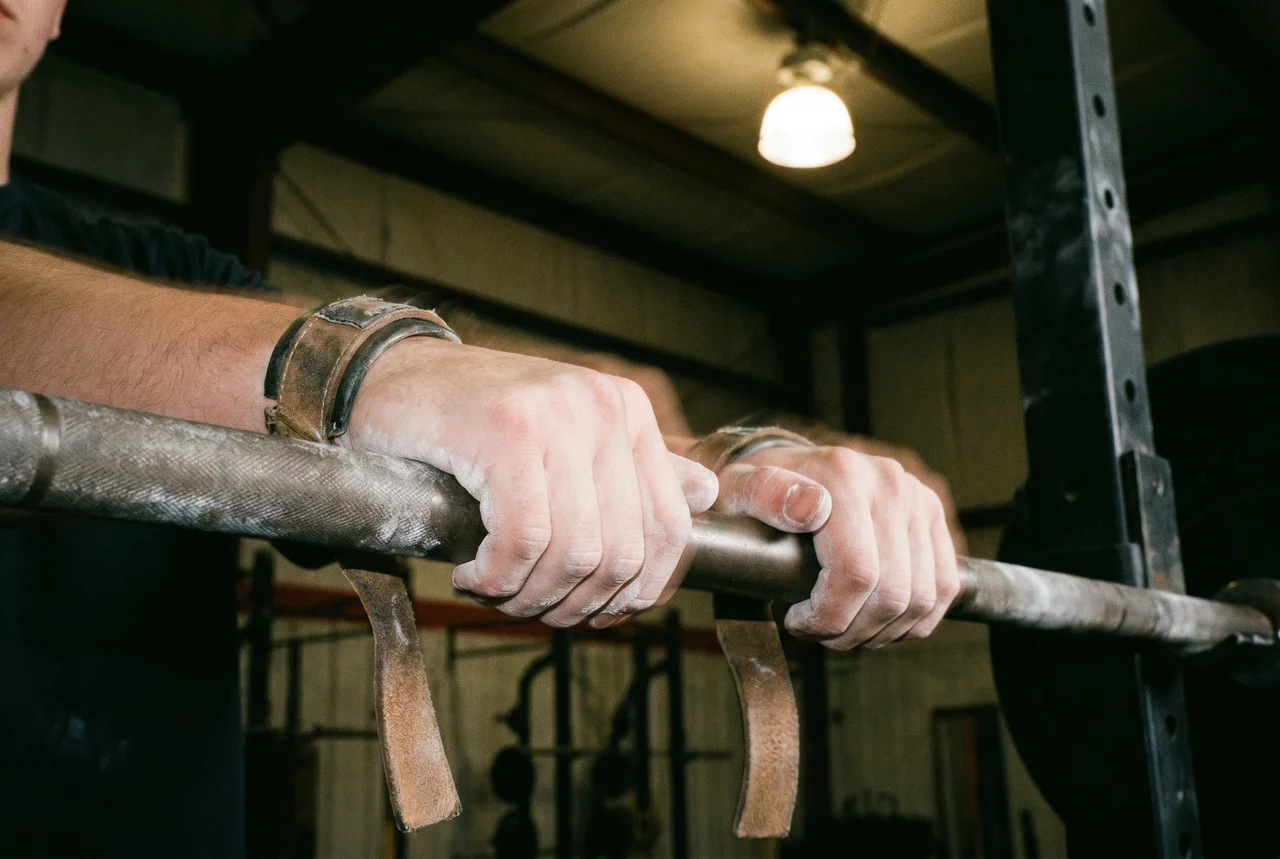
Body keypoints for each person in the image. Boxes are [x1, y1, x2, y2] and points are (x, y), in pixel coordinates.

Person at [0, 1, 961, 855]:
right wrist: (362, 367)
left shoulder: (158, 268)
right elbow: (314, 361)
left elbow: (507, 405)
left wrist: (750, 468)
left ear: (61, 14)